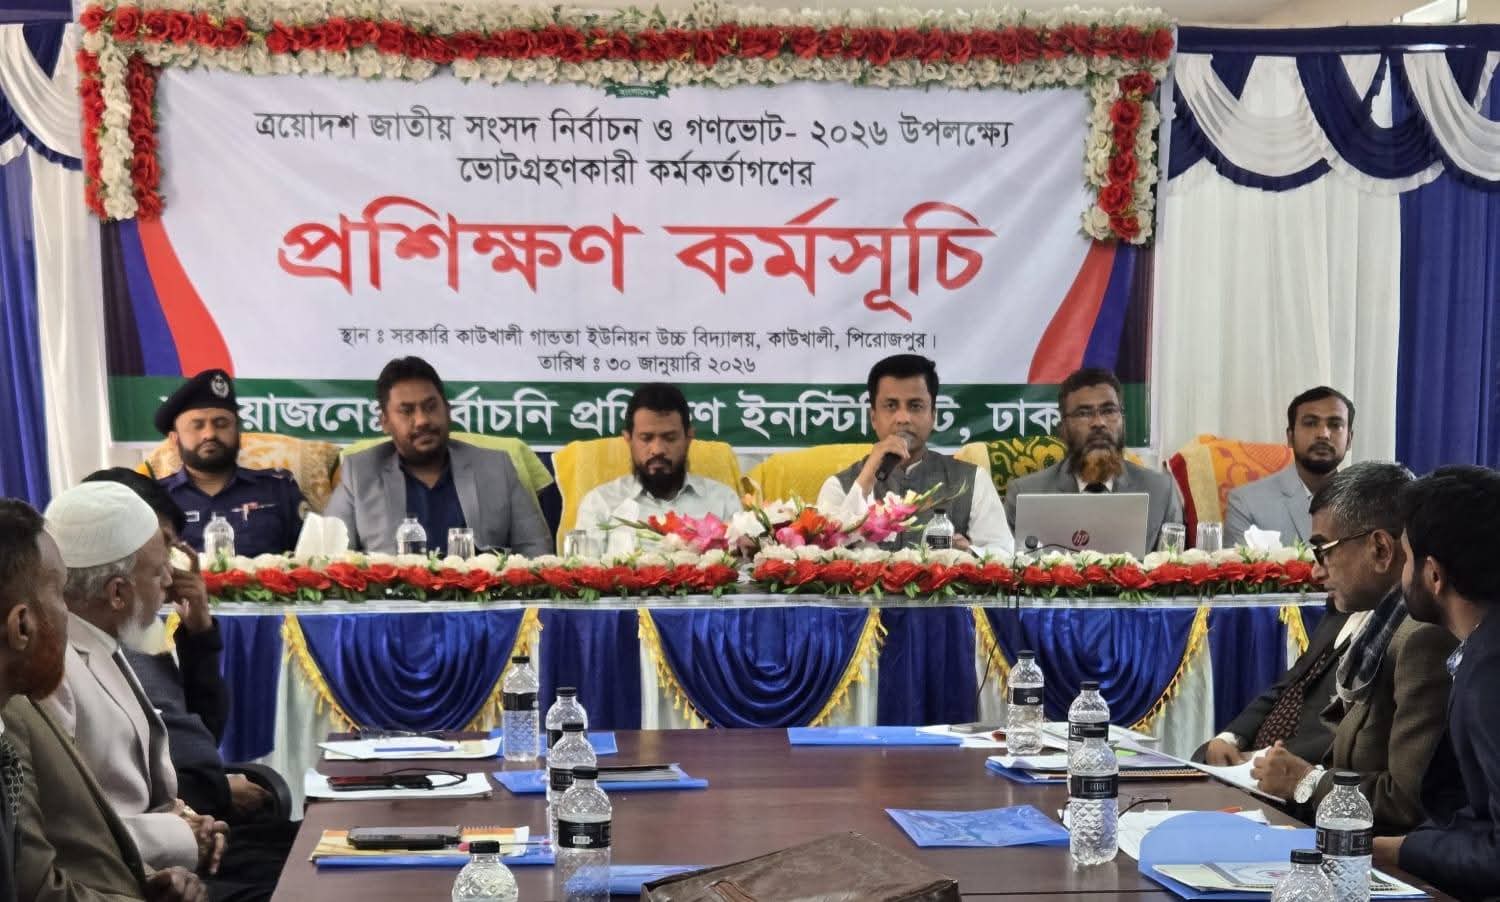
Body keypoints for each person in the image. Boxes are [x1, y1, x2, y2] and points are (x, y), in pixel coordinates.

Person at [0, 498, 205, 902]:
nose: (70, 614)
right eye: (60, 596)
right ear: (21, 625)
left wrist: (154, 880)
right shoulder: (29, 700)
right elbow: (41, 885)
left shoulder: (17, 700)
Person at [1246, 462, 1456, 833]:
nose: (1316, 571)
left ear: (1380, 549)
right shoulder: (1381, 623)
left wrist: (1306, 782)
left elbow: (1407, 803)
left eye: (1322, 550)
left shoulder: (1421, 639)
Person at [40, 483, 230, 877]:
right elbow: (68, 831)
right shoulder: (50, 670)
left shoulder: (103, 640)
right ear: (117, 593)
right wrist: (180, 835)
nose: (169, 581)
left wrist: (189, 821)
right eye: (159, 571)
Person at [82, 469, 270, 822]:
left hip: (200, 812)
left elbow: (204, 734)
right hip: (173, 825)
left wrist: (198, 634)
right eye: (160, 547)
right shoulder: (80, 647)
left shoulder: (139, 630)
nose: (169, 573)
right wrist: (217, 791)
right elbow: (114, 790)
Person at [1370, 466, 1500, 899]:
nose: (1400, 575)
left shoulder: (1490, 675)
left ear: (1434, 575)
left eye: (1406, 558)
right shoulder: (1482, 652)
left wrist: (1402, 851)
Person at [324, 357, 552, 556]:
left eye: (431, 407)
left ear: (448, 410)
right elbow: (328, 558)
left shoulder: (497, 467)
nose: (422, 420)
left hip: (482, 592)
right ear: (385, 422)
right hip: (392, 593)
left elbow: (536, 551)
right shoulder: (360, 472)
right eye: (406, 411)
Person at [817, 355, 1014, 552]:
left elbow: (1005, 553)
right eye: (891, 406)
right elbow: (821, 554)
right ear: (873, 417)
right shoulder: (838, 486)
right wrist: (866, 480)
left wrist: (969, 552)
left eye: (915, 406)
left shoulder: (972, 480)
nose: (903, 418)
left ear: (933, 416)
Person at [1003, 368, 1182, 551]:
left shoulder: (1161, 492)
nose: (1099, 423)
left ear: (1123, 421)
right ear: (1063, 428)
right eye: (1083, 413)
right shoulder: (1025, 495)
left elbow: (1175, 565)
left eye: (1109, 411)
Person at [153, 369, 304, 557]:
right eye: (197, 425)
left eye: (221, 424)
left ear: (238, 432)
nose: (210, 434)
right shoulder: (156, 500)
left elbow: (311, 560)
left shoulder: (278, 489)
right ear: (174, 439)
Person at [574, 384, 741, 544]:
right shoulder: (600, 502)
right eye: (646, 438)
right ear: (628, 439)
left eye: (670, 438)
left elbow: (742, 562)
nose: (658, 449)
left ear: (689, 437)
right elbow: (585, 563)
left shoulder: (723, 500)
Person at [1193, 601, 1351, 766]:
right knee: (1205, 757)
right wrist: (1229, 738)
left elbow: (1350, 739)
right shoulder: (1339, 613)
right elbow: (1288, 685)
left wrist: (1259, 757)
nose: (1319, 580)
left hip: (1300, 767)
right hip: (1252, 759)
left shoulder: (1369, 638)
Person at [1225, 386, 1354, 547]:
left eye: (1335, 425)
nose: (1323, 434)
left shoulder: (1368, 504)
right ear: (1290, 436)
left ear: (1349, 440)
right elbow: (1239, 563)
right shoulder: (1246, 503)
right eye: (1311, 423)